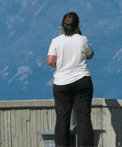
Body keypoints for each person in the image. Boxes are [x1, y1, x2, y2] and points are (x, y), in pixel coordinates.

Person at [47, 12, 95, 147]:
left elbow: (50, 61)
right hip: (82, 80)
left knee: (62, 119)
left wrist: (61, 62)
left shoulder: (56, 41)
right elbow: (90, 55)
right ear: (77, 25)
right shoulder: (82, 39)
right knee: (84, 118)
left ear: (63, 25)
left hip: (61, 83)